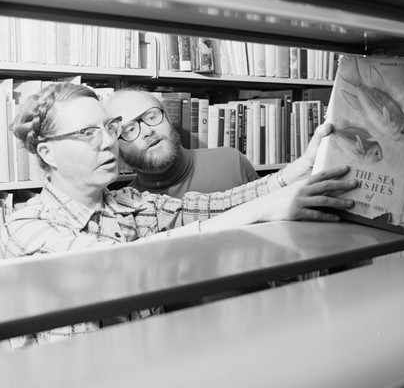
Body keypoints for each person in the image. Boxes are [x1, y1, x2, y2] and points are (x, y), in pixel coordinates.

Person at [0, 82, 357, 348]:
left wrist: (297, 170)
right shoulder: (24, 226)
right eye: (88, 133)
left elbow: (216, 204)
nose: (108, 143)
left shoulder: (131, 204)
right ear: (48, 153)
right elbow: (120, 263)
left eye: (109, 129)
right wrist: (268, 207)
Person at [103, 89, 259, 197]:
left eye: (151, 117)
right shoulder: (127, 208)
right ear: (117, 147)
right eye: (129, 130)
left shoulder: (231, 162)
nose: (147, 131)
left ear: (169, 119)